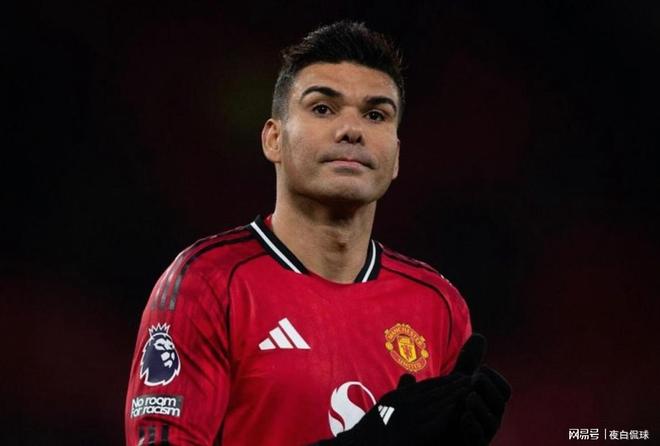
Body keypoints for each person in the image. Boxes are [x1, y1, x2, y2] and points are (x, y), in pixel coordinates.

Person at [125, 20, 510, 446]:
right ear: (273, 139)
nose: (352, 130)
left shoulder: (438, 305)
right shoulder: (207, 284)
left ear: (396, 156)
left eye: (376, 115)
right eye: (323, 108)